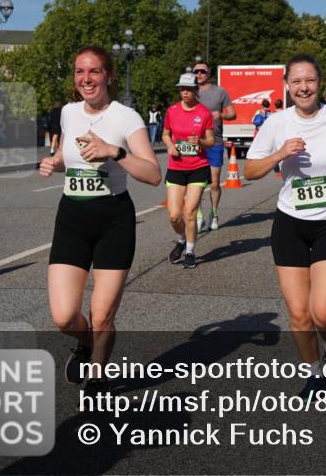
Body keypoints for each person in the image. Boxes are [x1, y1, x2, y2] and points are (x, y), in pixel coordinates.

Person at [243, 54, 326, 394]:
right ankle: (315, 373)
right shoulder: (276, 123)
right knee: (300, 316)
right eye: (297, 81)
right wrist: (278, 155)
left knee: (324, 311)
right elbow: (250, 170)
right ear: (287, 85)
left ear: (319, 83)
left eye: (310, 80)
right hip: (290, 225)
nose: (304, 87)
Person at [39, 46, 161, 398]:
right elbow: (68, 154)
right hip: (72, 218)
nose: (86, 79)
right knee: (64, 317)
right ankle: (86, 343)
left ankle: (97, 378)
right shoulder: (68, 112)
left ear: (108, 75)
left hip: (113, 221)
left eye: (94, 72)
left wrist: (116, 152)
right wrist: (54, 162)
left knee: (102, 314)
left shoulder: (127, 118)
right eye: (80, 72)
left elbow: (153, 174)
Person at [162, 72, 216, 269]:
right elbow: (165, 133)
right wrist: (169, 145)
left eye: (188, 89)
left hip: (197, 167)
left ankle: (191, 251)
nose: (184, 92)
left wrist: (201, 142)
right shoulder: (172, 110)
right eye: (182, 89)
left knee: (190, 212)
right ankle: (182, 239)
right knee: (174, 215)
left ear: (195, 89)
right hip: (176, 166)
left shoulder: (204, 113)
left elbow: (211, 141)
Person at [193, 60, 236, 232]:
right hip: (195, 143)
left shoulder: (219, 91)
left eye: (202, 71)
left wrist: (222, 114)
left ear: (208, 73)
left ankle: (214, 213)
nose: (199, 74)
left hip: (215, 143)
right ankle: (198, 216)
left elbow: (233, 113)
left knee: (215, 183)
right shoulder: (190, 92)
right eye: (196, 71)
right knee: (196, 183)